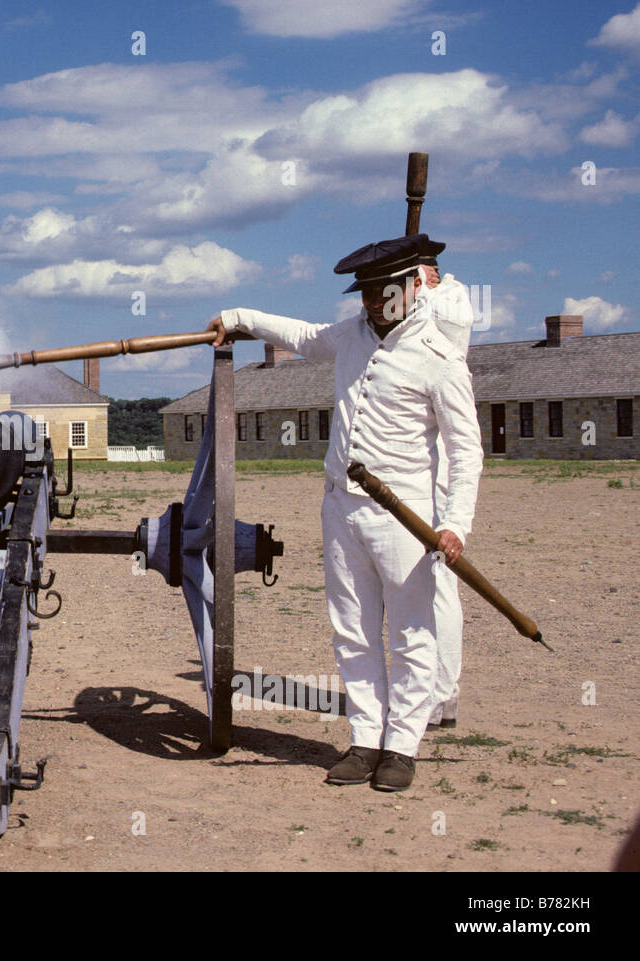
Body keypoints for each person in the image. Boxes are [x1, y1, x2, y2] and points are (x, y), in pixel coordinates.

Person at [207, 234, 483, 792]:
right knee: (352, 631)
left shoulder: (440, 357)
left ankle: (401, 748)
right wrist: (241, 316)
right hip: (341, 509)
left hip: (407, 518)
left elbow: (465, 448)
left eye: (383, 294)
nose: (373, 305)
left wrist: (455, 524)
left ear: (410, 290)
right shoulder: (352, 336)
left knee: (411, 634)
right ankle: (364, 741)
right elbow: (304, 337)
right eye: (365, 295)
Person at [415, 268, 476, 731]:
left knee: (437, 581)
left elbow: (438, 322)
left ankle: (439, 696)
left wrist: (422, 288)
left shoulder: (452, 299)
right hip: (409, 459)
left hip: (434, 463)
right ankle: (432, 692)